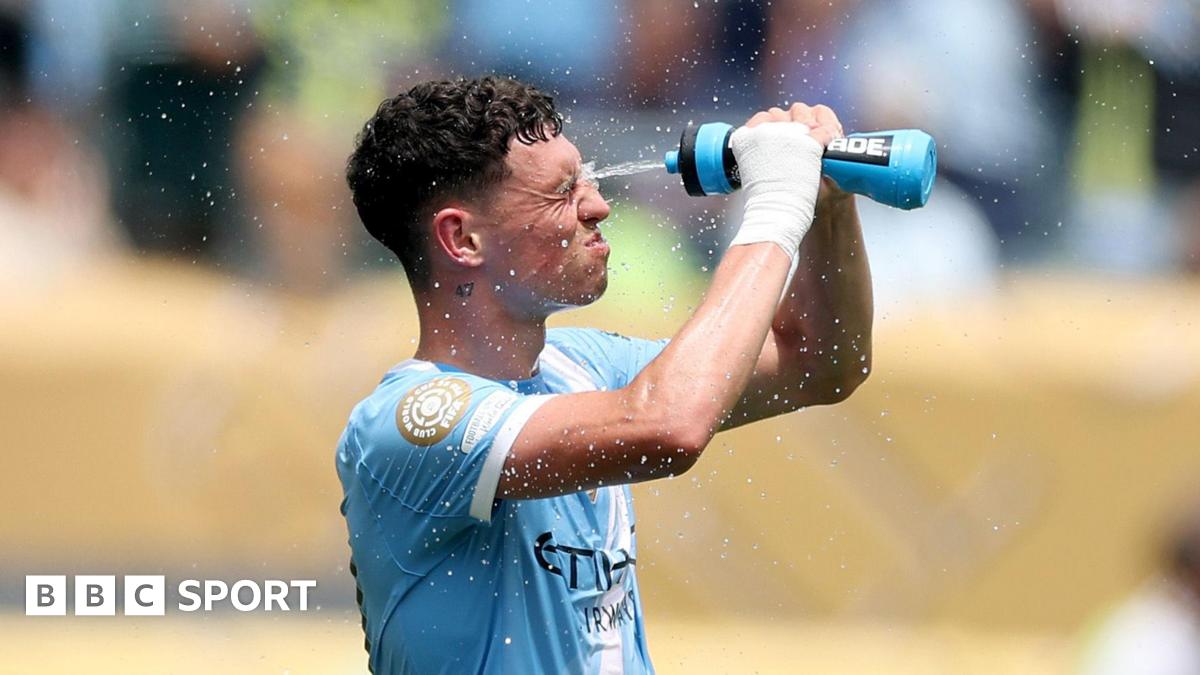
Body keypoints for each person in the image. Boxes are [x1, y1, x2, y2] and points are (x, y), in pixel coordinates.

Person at [336, 76, 873, 674]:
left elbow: (819, 362)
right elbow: (671, 425)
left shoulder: (581, 365)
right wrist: (776, 205)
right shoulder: (412, 422)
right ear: (462, 238)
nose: (598, 205)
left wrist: (825, 205)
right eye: (562, 192)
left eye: (585, 176)